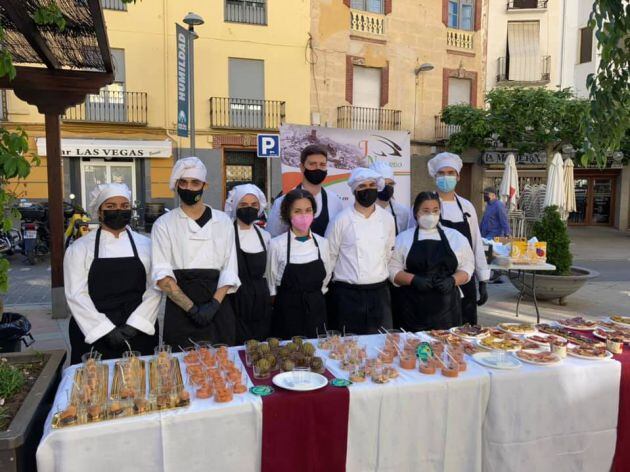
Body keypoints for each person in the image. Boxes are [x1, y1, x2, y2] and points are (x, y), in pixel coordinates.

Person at [65, 183, 160, 364]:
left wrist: (135, 325)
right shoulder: (79, 248)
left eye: (124, 206)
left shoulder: (146, 245)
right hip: (93, 332)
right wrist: (105, 330)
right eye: (111, 207)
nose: (118, 210)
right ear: (99, 211)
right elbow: (76, 294)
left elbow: (155, 288)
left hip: (138, 331)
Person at [152, 157, 240, 347]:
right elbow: (162, 273)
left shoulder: (223, 221)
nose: (189, 188)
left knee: (223, 365)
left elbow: (229, 267)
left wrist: (213, 306)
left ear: (204, 185)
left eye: (195, 182)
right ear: (176, 185)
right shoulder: (164, 224)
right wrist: (192, 310)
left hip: (218, 305)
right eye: (183, 182)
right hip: (180, 309)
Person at [389, 192, 475, 331]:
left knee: (446, 348)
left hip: (447, 309)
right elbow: (392, 268)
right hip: (412, 308)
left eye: (435, 211)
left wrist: (453, 280)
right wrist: (414, 279)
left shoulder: (456, 237)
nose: (431, 215)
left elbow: (468, 265)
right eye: (426, 211)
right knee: (412, 349)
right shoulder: (403, 239)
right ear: (416, 213)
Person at [326, 167, 396, 334]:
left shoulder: (387, 219)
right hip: (347, 296)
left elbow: (388, 253)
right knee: (348, 348)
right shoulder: (340, 220)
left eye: (372, 185)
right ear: (354, 191)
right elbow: (329, 257)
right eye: (362, 186)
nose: (368, 190)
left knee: (382, 345)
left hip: (379, 295)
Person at [427, 152, 490, 325]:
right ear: (435, 176)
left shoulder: (467, 207)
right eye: (442, 173)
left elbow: (476, 244)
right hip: (435, 281)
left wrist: (483, 279)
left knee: (464, 331)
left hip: (465, 278)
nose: (446, 177)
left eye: (450, 173)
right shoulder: (424, 205)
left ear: (458, 176)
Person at [267, 189, 332, 339]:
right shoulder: (277, 245)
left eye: (308, 210)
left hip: (316, 310)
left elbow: (326, 277)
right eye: (297, 211)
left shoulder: (322, 243)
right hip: (287, 312)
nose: (303, 215)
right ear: (288, 214)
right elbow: (271, 284)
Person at [226, 184, 273, 343]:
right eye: (243, 205)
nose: (249, 208)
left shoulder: (265, 236)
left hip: (261, 300)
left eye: (254, 205)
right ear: (235, 206)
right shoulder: (227, 235)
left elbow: (269, 272)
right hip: (235, 300)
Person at [267, 144, 344, 237]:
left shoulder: (335, 202)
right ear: (302, 167)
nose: (318, 168)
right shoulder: (282, 202)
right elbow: (272, 237)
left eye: (322, 165)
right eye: (312, 164)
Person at [369, 161, 411, 236]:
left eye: (390, 184)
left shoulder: (403, 211)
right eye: (383, 184)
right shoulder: (364, 211)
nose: (387, 187)